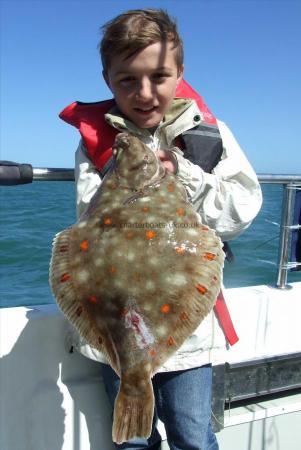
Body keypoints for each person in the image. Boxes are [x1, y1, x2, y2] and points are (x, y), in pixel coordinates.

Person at [59, 8, 262, 450]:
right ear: (108, 80)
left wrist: (185, 174)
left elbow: (241, 211)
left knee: (193, 434)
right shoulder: (95, 145)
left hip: (190, 332)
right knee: (133, 442)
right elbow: (88, 228)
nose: (144, 92)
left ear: (179, 74)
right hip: (118, 332)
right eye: (127, 79)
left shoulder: (212, 135)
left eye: (158, 76)